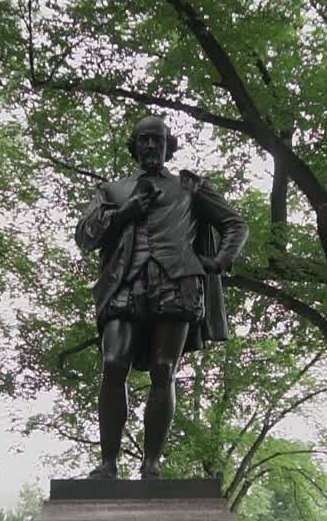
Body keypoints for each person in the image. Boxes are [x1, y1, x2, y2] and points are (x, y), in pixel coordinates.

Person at [75, 114, 249, 480]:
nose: (151, 146)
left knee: (163, 370)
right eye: (144, 140)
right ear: (134, 146)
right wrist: (123, 214)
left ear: (169, 146)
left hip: (176, 284)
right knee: (114, 364)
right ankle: (108, 464)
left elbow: (235, 223)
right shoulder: (114, 190)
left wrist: (219, 261)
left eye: (158, 139)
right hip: (124, 283)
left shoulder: (190, 187)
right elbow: (85, 237)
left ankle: (151, 463)